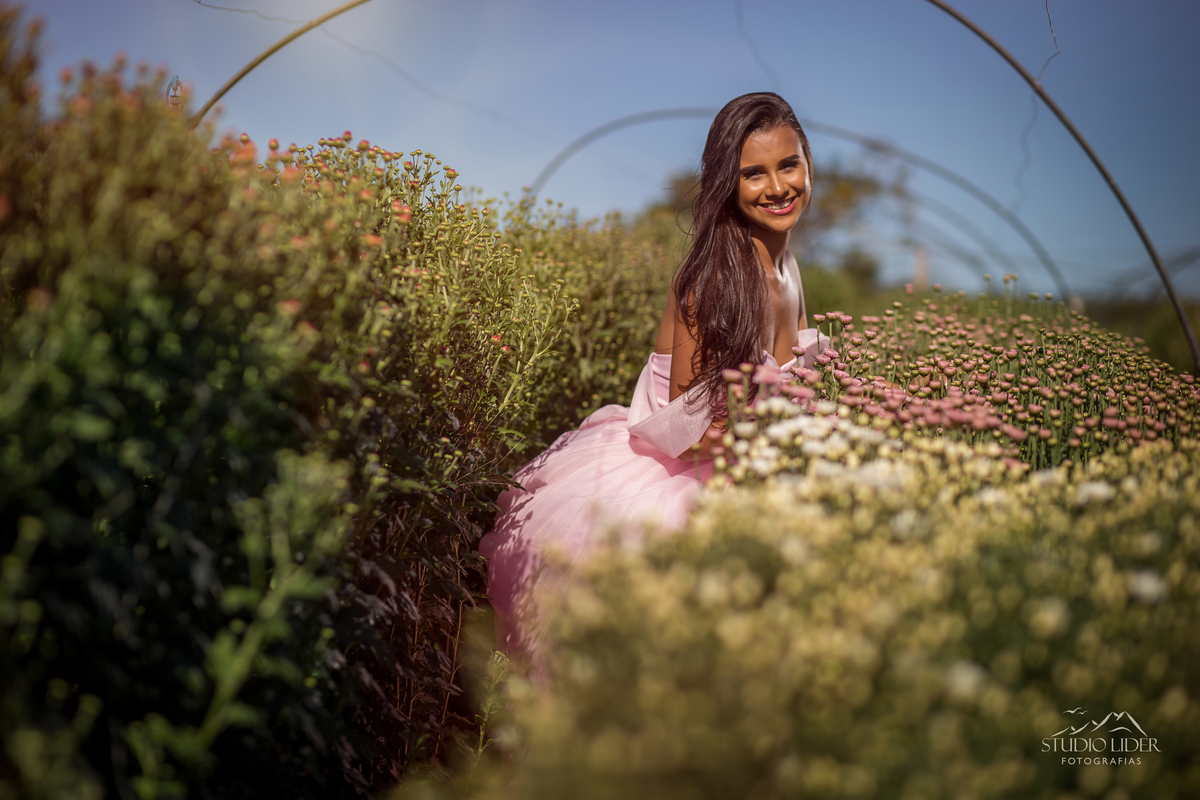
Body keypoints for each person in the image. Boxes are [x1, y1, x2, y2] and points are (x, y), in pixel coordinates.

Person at [479, 92, 825, 662]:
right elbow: (685, 425)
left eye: (788, 164)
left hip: (758, 463)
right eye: (753, 174)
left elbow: (803, 386)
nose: (777, 186)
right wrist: (782, 445)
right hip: (682, 474)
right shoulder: (715, 278)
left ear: (809, 162)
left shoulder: (787, 267)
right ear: (727, 185)